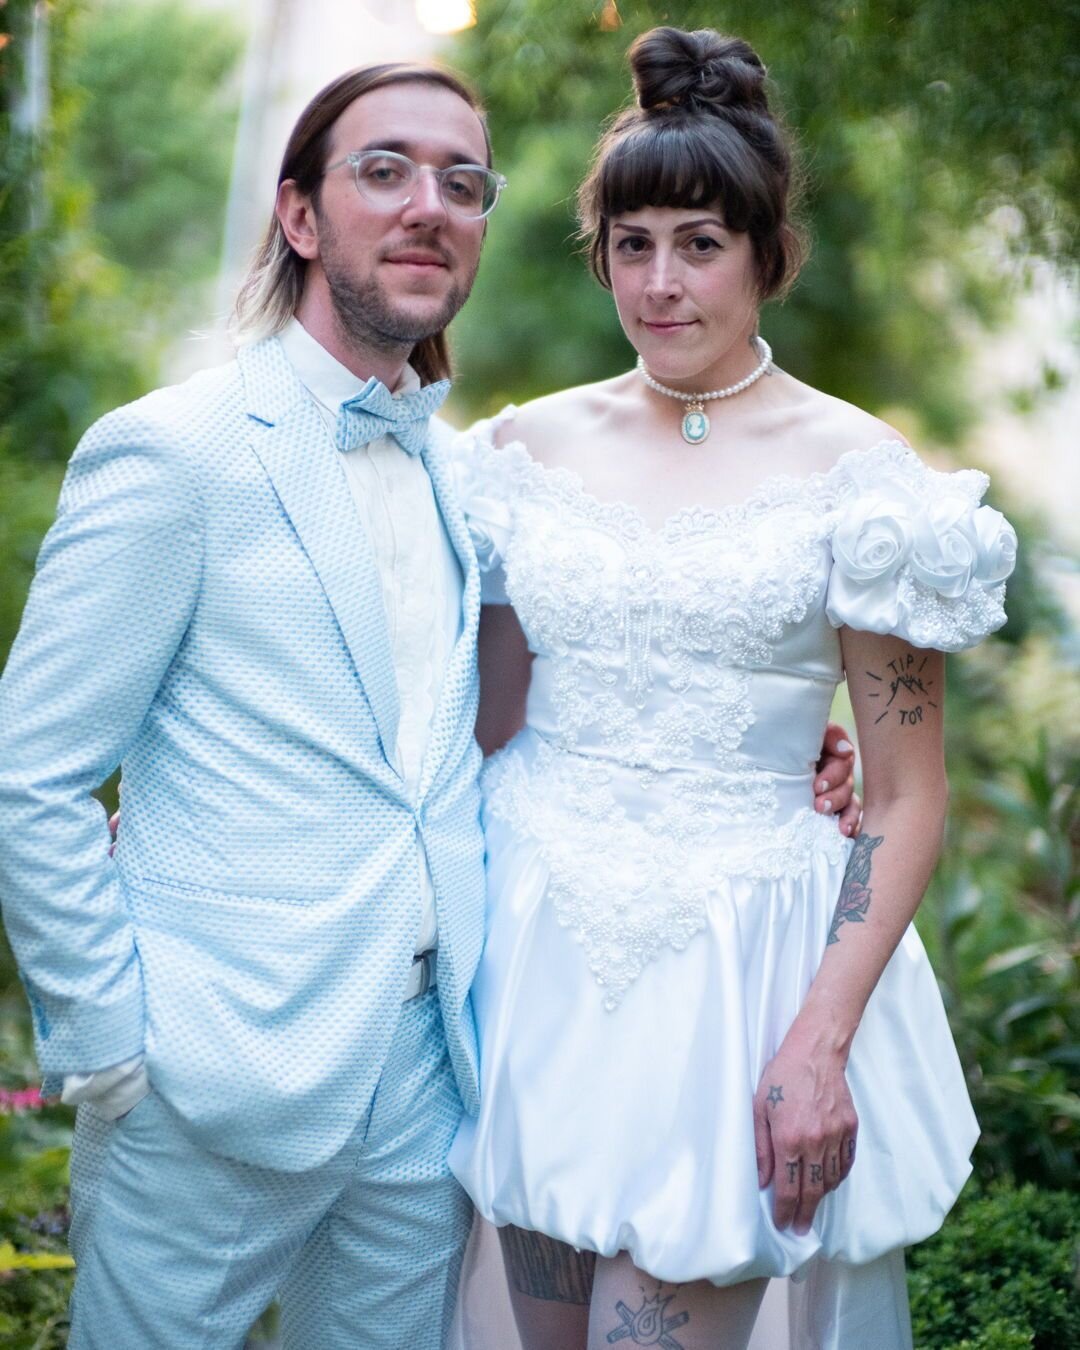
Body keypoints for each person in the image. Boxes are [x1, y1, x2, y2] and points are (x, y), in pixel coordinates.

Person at [0, 56, 857, 1349]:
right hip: (211, 1079)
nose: (428, 206)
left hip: (430, 1090)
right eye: (384, 170)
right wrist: (115, 1044)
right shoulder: (175, 456)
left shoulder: (479, 479)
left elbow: (540, 704)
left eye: (462, 182)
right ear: (300, 216)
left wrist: (780, 746)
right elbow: (32, 769)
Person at [447, 26, 1018, 1350]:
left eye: (699, 242)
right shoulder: (520, 454)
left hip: (739, 979)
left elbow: (905, 791)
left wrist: (820, 1037)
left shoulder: (864, 479)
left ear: (766, 251)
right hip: (535, 962)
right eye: (631, 243)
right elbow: (475, 723)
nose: (659, 282)